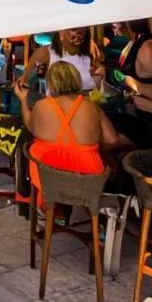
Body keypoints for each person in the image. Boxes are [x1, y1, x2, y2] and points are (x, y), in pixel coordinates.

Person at [14, 62, 122, 199]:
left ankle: (49, 208)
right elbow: (113, 139)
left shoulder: (41, 106)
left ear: (50, 82)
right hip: (86, 180)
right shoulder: (91, 107)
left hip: (47, 178)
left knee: (28, 143)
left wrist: (23, 100)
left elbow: (30, 126)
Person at [107, 19, 152, 149]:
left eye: (116, 19)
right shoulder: (134, 42)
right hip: (139, 113)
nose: (112, 23)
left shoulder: (147, 48)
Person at [24, 27, 105, 92]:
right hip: (59, 108)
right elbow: (26, 81)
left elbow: (98, 72)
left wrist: (99, 74)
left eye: (83, 28)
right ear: (62, 30)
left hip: (88, 105)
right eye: (74, 29)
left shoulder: (90, 49)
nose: (79, 34)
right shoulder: (45, 53)